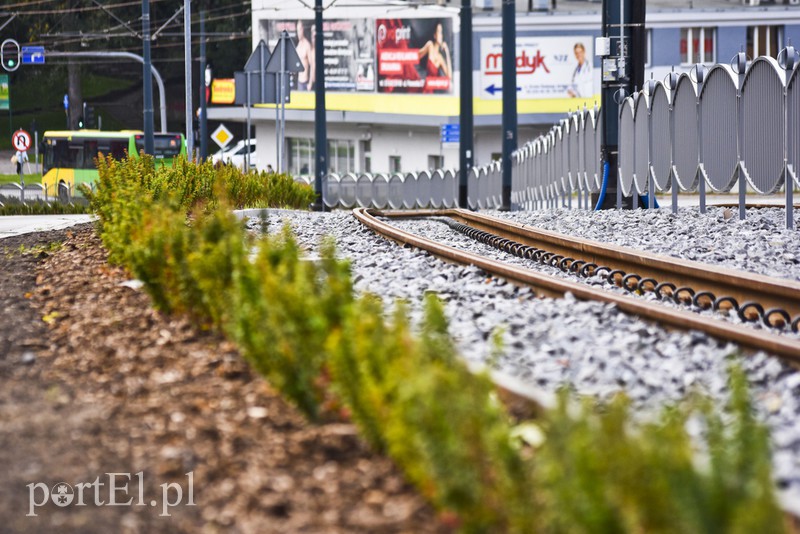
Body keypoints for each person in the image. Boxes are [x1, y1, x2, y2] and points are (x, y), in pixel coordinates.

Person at [418, 23, 452, 88]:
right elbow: (416, 56)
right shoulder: (430, 45)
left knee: (451, 86)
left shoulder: (440, 58)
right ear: (435, 35)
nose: (440, 35)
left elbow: (449, 77)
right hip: (425, 86)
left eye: (441, 32)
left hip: (433, 89)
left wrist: (447, 52)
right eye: (439, 32)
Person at [295, 20, 314, 91]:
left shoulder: (307, 45)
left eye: (299, 30)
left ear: (302, 30)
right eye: (297, 30)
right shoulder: (298, 46)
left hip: (306, 82)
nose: (298, 33)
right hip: (299, 81)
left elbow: (312, 65)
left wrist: (310, 83)